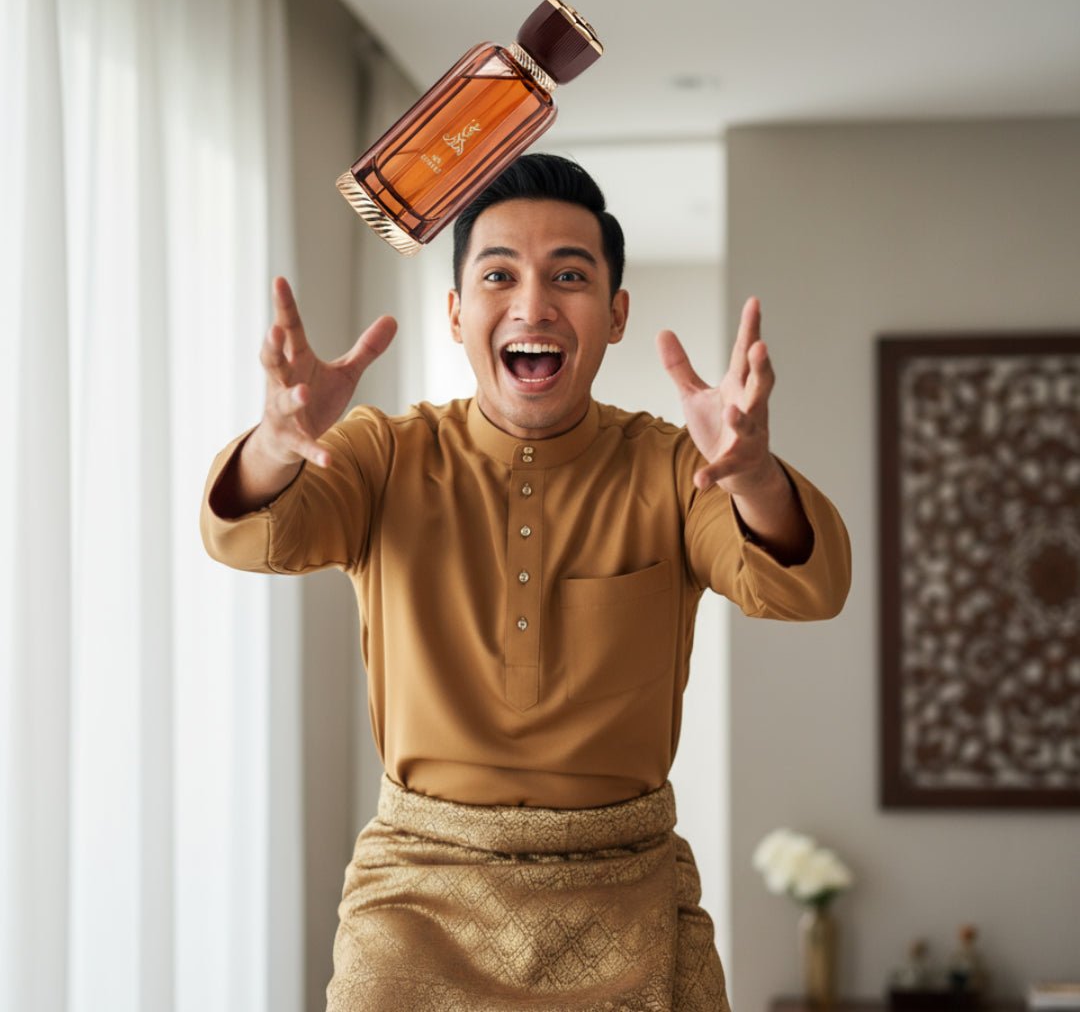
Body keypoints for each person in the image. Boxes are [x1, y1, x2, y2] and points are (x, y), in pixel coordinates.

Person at [201, 154, 851, 1011]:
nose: (534, 305)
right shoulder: (383, 453)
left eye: (569, 277)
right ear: (457, 312)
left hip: (627, 898)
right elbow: (247, 537)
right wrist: (277, 444)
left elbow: (807, 588)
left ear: (616, 315)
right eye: (499, 274)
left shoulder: (672, 467)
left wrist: (756, 474)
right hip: (417, 898)